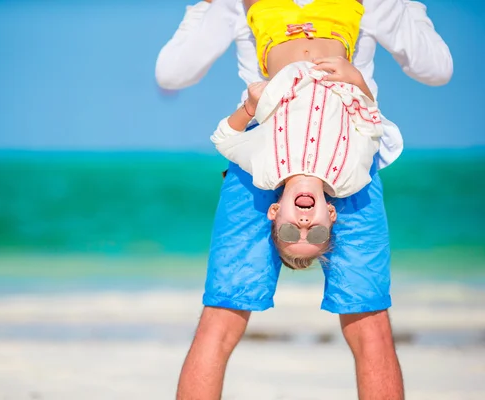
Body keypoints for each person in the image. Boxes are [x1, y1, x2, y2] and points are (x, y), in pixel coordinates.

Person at [155, 1, 452, 399]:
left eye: (297, 228)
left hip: (278, 150)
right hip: (320, 149)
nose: (306, 222)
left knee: (370, 324)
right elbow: (170, 74)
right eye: (312, 230)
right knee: (222, 317)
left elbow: (437, 69)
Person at [212, 0, 385, 268]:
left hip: (278, 33)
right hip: (335, 30)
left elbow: (223, 139)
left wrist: (249, 108)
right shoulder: (350, 178)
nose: (303, 224)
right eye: (316, 233)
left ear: (274, 211)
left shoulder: (265, 170)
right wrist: (357, 80)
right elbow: (371, 127)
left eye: (289, 232)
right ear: (330, 214)